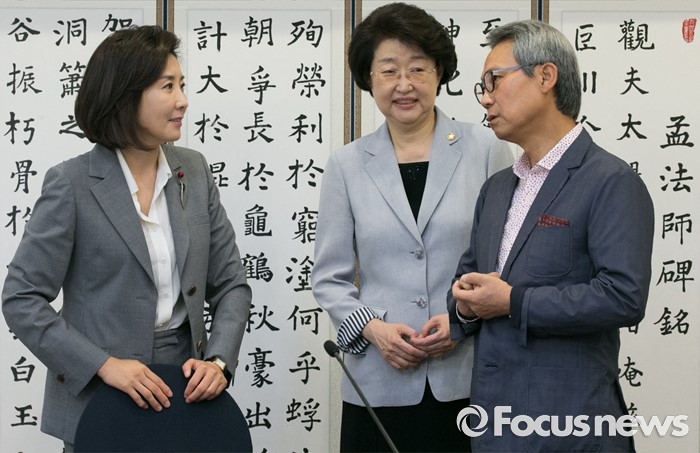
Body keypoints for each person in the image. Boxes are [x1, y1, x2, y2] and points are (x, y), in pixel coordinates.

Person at [1, 25, 252, 451]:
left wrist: (219, 361)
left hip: (186, 397)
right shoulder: (71, 183)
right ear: (124, 95)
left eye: (182, 85)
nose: (183, 100)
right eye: (167, 86)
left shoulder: (194, 170)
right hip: (100, 402)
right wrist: (103, 365)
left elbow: (231, 284)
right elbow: (21, 298)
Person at [311, 3, 513, 452]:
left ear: (439, 72)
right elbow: (329, 278)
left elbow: (509, 257)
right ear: (368, 78)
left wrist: (462, 319)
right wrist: (373, 329)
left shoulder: (485, 149)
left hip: (467, 376)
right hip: (379, 380)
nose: (404, 85)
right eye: (388, 71)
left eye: (418, 68)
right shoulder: (346, 165)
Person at [448, 19, 654, 452]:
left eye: (495, 80)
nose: (485, 97)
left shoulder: (610, 180)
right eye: (482, 86)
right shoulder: (496, 188)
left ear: (545, 77)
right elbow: (468, 279)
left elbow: (623, 297)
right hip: (492, 426)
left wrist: (512, 301)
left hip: (571, 429)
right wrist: (463, 308)